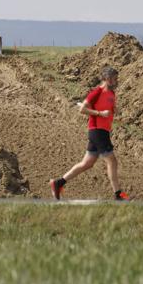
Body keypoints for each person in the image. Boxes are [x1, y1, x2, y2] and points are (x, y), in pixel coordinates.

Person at [50, 66, 129, 201]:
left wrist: (115, 113)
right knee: (112, 160)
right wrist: (99, 113)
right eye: (115, 79)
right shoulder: (97, 92)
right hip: (97, 131)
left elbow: (108, 111)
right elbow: (82, 109)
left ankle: (58, 183)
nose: (117, 81)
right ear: (108, 79)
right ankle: (118, 195)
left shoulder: (112, 94)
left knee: (87, 163)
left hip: (102, 131)